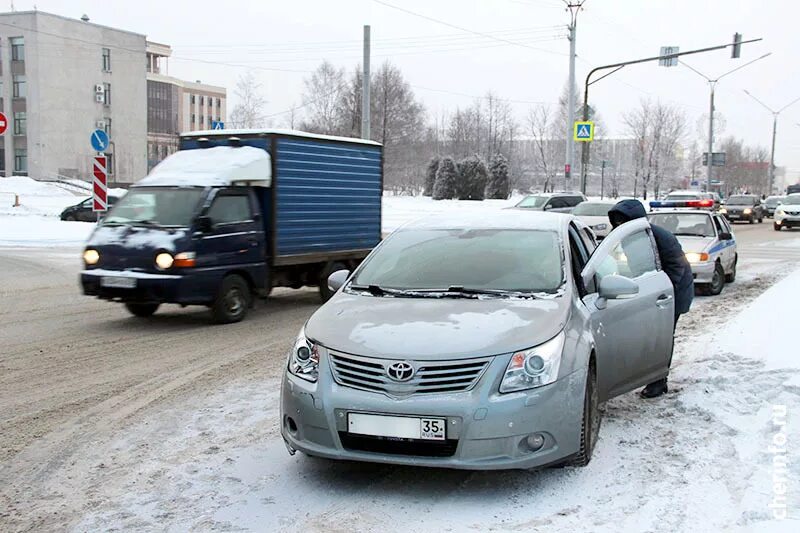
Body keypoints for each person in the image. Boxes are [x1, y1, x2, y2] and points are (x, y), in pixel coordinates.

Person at [607, 200, 694, 398]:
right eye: (617, 222)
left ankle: (658, 382)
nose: (619, 225)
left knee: (660, 338)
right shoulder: (630, 237)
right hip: (653, 292)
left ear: (635, 220)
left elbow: (676, 267)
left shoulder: (660, 237)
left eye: (623, 221)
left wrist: (659, 292)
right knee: (647, 336)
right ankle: (649, 376)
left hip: (672, 294)